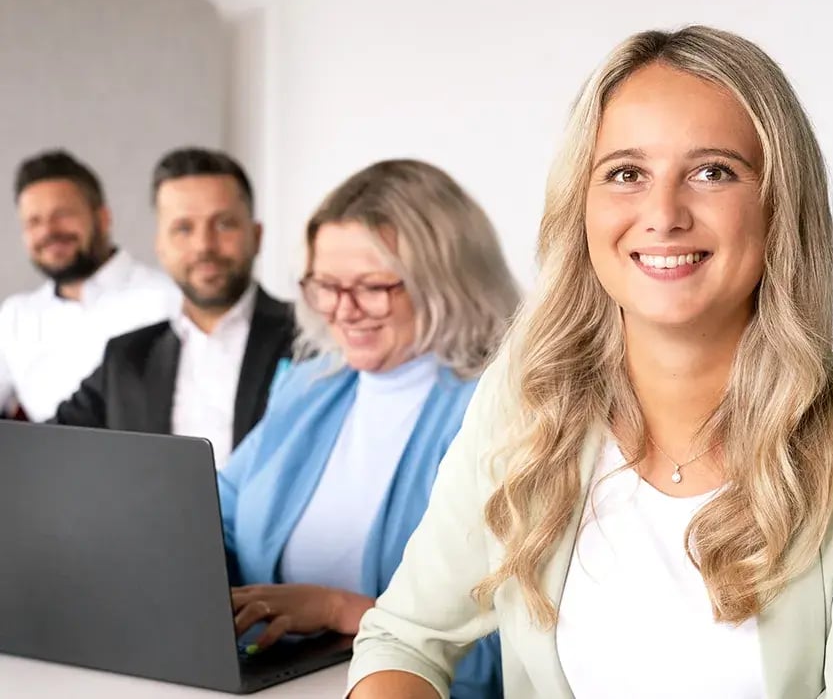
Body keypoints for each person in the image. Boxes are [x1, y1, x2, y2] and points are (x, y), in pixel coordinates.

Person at [347, 26, 833, 699]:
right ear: (581, 204)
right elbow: (405, 641)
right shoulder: (526, 400)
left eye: (713, 171)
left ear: (780, 203)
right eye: (626, 174)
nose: (663, 215)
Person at [218, 159, 520, 698]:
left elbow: (514, 643)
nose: (344, 311)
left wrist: (339, 609)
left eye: (372, 286)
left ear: (448, 282)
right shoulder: (309, 386)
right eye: (326, 285)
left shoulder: (503, 406)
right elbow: (220, 515)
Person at [52, 148, 295, 467]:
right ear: (160, 245)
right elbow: (41, 445)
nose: (204, 246)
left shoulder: (310, 341)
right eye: (183, 228)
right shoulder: (127, 357)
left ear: (257, 235)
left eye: (224, 224)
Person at [0, 150, 177, 421]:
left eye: (62, 214)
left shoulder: (168, 299)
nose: (48, 231)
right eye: (33, 221)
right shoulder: (15, 316)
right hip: (43, 448)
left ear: (103, 218)